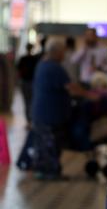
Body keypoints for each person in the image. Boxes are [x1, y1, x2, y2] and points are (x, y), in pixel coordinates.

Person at [30, 39, 74, 179]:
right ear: (56, 52)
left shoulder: (42, 64)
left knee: (44, 144)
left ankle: (44, 171)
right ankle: (50, 172)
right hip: (50, 114)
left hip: (42, 112)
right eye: (63, 53)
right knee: (51, 144)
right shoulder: (54, 67)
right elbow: (70, 87)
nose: (64, 56)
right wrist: (91, 96)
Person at [15, 43, 40, 122]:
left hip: (25, 82)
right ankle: (32, 119)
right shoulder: (35, 59)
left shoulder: (23, 59)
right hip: (32, 82)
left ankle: (29, 120)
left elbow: (18, 70)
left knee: (26, 101)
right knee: (32, 101)